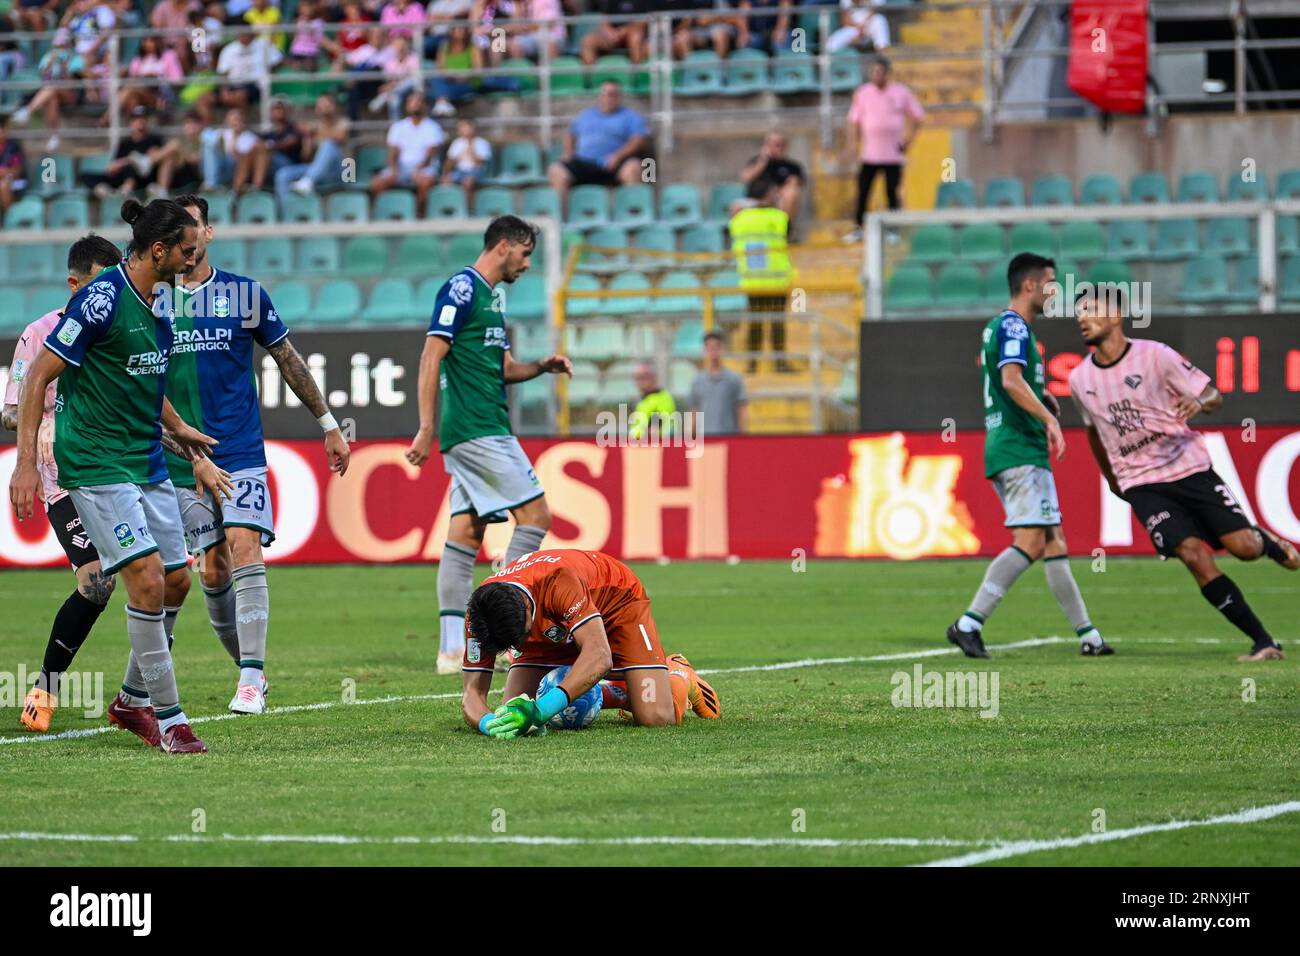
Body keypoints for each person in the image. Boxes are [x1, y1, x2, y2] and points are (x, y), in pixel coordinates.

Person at [9, 199, 216, 754]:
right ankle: (170, 720)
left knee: (176, 580)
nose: (193, 260)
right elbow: (37, 381)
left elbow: (146, 383)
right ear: (158, 250)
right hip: (95, 461)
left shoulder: (161, 305)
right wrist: (27, 462)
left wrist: (185, 436)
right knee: (144, 578)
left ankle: (128, 698)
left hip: (145, 457)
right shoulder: (99, 301)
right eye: (187, 251)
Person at [162, 194, 351, 713]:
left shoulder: (245, 295)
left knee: (245, 546)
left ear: (209, 232)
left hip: (240, 448)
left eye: (195, 225)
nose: (190, 236)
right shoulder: (152, 300)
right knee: (214, 570)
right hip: (179, 459)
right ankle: (247, 672)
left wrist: (329, 424)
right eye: (180, 228)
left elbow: (287, 359)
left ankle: (250, 678)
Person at [1070, 290, 1298, 663]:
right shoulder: (1080, 379)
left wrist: (1199, 402)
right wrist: (1112, 478)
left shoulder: (1155, 355)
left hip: (1188, 466)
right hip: (1141, 481)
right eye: (1079, 313)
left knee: (1244, 549)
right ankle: (1263, 641)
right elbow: (1093, 430)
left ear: (1116, 315)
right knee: (1192, 556)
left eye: (1091, 310)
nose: (1082, 318)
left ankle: (1264, 543)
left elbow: (1213, 395)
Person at [404, 216, 574, 675]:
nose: (527, 263)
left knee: (466, 533)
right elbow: (430, 355)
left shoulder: (491, 301)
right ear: (503, 246)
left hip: (480, 429)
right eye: (525, 253)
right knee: (537, 517)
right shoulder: (461, 289)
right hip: (480, 430)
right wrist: (425, 427)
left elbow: (504, 369)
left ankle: (451, 651)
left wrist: (541, 366)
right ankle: (502, 629)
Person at [945, 253, 1109, 660]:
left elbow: (1007, 381)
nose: (1056, 290)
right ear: (1030, 285)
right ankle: (969, 623)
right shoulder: (1015, 326)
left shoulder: (999, 327)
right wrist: (1049, 420)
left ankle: (1088, 636)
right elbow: (1010, 380)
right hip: (1018, 448)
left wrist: (1040, 396)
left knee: (1053, 542)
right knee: (1033, 541)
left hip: (1018, 447)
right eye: (1051, 282)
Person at [462, 549, 721, 737]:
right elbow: (472, 695)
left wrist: (542, 710)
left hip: (617, 604)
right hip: (556, 623)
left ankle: (677, 675)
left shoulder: (557, 581)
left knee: (656, 718)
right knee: (513, 712)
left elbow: (599, 656)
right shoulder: (480, 613)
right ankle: (617, 693)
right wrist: (487, 724)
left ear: (527, 611)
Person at [844, 55, 923, 241]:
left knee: (892, 192)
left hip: (892, 154)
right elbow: (853, 121)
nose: (875, 75)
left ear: (887, 73)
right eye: (873, 72)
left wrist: (908, 141)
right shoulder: (863, 93)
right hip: (870, 154)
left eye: (879, 71)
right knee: (863, 191)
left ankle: (893, 229)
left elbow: (918, 117)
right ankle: (858, 227)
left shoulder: (901, 92)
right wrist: (853, 145)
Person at [548, 81, 649, 214]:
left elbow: (639, 140)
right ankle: (561, 218)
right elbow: (570, 134)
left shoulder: (630, 116)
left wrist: (618, 156)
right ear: (600, 96)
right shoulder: (586, 115)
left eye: (613, 94)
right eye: (606, 94)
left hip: (615, 163)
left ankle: (632, 215)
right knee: (556, 171)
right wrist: (569, 152)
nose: (609, 97)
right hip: (584, 163)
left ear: (619, 97)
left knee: (634, 168)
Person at [729, 176, 793, 373]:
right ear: (767, 194)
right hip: (775, 280)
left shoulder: (738, 219)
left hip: (752, 281)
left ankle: (752, 364)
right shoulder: (779, 217)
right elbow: (790, 236)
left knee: (754, 325)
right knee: (777, 324)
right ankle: (780, 364)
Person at [369, 90, 445, 211]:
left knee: (425, 183)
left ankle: (419, 214)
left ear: (424, 105)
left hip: (425, 167)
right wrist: (394, 170)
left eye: (419, 101)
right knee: (377, 183)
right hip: (401, 167)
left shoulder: (433, 127)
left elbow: (430, 153)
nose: (415, 104)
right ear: (406, 106)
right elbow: (393, 151)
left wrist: (418, 170)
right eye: (412, 101)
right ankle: (382, 213)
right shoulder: (398, 127)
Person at [277, 93, 351, 206]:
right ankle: (285, 212)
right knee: (283, 174)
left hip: (345, 171)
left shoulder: (344, 122)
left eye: (326, 104)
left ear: (334, 106)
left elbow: (339, 137)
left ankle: (308, 181)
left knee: (329, 145)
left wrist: (316, 134)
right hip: (319, 172)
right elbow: (306, 157)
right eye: (320, 104)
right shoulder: (314, 127)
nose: (323, 107)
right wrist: (308, 138)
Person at [80, 106, 165, 198]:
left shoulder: (154, 140)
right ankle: (105, 191)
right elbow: (114, 165)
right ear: (131, 122)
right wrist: (125, 161)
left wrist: (129, 161)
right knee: (85, 175)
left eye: (143, 118)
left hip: (141, 179)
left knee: (132, 167)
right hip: (120, 177)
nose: (140, 121)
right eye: (136, 119)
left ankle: (124, 192)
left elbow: (152, 161)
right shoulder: (124, 144)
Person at [739, 130, 805, 224]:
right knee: (735, 208)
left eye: (781, 144)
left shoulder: (792, 167)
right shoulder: (757, 161)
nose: (778, 148)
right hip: (755, 199)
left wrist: (778, 191)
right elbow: (746, 178)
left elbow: (797, 185)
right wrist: (762, 161)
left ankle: (786, 227)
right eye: (774, 144)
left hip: (777, 200)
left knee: (791, 193)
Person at [212, 26, 284, 111]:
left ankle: (238, 122)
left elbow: (279, 60)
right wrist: (224, 90)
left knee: (240, 96)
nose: (243, 36)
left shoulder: (264, 45)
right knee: (204, 99)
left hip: (254, 85)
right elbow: (223, 73)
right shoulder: (229, 49)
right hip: (232, 85)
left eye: (246, 34)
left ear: (252, 34)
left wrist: (267, 71)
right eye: (241, 34)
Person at [689, 331, 747, 435]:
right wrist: (690, 436)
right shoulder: (697, 381)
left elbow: (741, 410)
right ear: (705, 350)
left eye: (717, 347)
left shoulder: (734, 379)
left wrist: (742, 437)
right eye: (710, 348)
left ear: (723, 349)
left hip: (729, 437)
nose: (714, 352)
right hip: (705, 439)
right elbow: (694, 410)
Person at [118, 34, 185, 118]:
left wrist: (157, 77)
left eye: (151, 41)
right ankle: (134, 124)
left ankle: (107, 121)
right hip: (140, 94)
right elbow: (132, 79)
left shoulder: (168, 56)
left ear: (158, 42)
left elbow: (178, 79)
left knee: (130, 90)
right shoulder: (138, 60)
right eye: (145, 41)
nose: (148, 44)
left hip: (160, 94)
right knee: (131, 95)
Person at [201, 107, 265, 192]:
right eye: (233, 119)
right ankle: (211, 184)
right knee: (208, 145)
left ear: (243, 121)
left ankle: (212, 184)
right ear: (228, 121)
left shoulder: (250, 138)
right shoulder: (223, 133)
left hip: (235, 170)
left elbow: (243, 161)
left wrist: (234, 142)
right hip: (220, 167)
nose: (236, 122)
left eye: (238, 119)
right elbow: (204, 136)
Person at [580, 0, 649, 65]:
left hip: (633, 35)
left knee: (635, 38)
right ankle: (591, 76)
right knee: (588, 41)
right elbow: (604, 20)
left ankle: (636, 75)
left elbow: (644, 21)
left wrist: (625, 31)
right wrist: (610, 32)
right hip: (613, 37)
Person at [671, 0, 747, 59]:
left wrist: (743, 33)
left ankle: (717, 73)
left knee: (719, 34)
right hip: (700, 31)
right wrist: (722, 17)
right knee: (681, 39)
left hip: (727, 29)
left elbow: (737, 17)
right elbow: (701, 20)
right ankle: (692, 72)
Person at [441, 117, 491, 204]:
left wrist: (470, 145)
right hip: (460, 171)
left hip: (476, 171)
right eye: (461, 127)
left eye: (465, 127)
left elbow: (480, 163)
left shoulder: (482, 143)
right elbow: (449, 162)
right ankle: (452, 206)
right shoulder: (457, 143)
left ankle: (469, 209)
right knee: (446, 182)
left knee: (468, 182)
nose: (463, 130)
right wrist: (446, 174)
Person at [629, 363, 676, 441]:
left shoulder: (662, 398)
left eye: (643, 377)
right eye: (637, 378)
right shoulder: (644, 400)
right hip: (640, 446)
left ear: (653, 377)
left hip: (655, 446)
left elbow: (655, 427)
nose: (639, 382)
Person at [826, 0, 890, 54]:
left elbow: (876, 11)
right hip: (853, 28)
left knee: (880, 20)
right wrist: (858, 29)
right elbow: (844, 18)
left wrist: (864, 27)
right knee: (830, 44)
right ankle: (827, 66)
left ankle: (883, 59)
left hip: (870, 24)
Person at [0, 117, 27, 216]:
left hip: (18, 183)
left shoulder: (13, 147)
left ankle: (9, 219)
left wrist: (4, 173)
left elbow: (17, 172)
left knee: (4, 185)